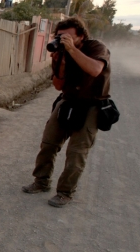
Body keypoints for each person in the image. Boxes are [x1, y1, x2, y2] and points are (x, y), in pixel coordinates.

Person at [22, 17, 111, 207]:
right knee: (48, 143)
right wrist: (59, 63)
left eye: (68, 37)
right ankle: (41, 181)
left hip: (91, 105)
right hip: (67, 101)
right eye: (60, 37)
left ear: (81, 36)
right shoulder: (62, 53)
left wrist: (71, 50)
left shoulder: (96, 47)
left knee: (76, 152)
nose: (63, 41)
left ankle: (65, 192)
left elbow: (95, 70)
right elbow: (58, 86)